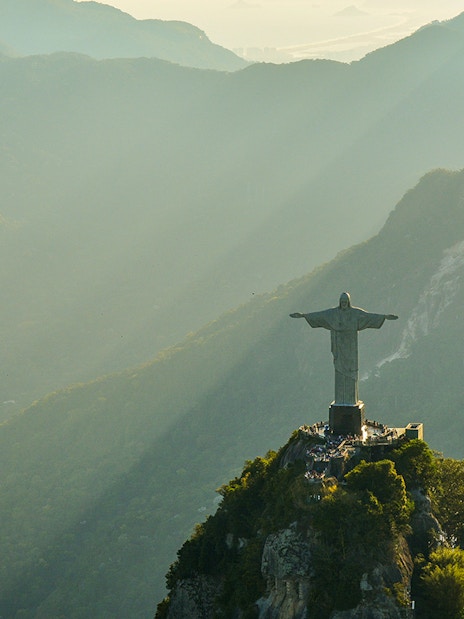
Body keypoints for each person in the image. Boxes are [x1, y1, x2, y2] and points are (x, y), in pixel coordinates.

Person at [290, 292, 398, 405]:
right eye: (342, 302)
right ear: (339, 303)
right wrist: (304, 315)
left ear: (349, 302)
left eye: (346, 302)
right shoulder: (333, 313)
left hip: (351, 348)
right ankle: (341, 400)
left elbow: (369, 316)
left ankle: (350, 400)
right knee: (339, 371)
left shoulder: (355, 313)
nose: (344, 304)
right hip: (339, 346)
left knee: (351, 371)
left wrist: (384, 317)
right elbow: (320, 315)